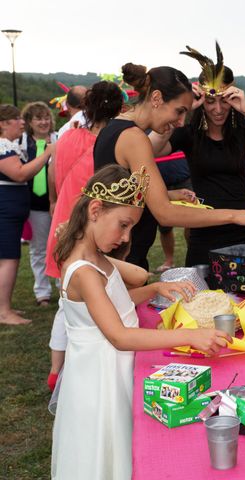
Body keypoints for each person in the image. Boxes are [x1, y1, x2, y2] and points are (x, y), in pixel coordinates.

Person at [50, 164, 230, 479]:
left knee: (119, 447)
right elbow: (119, 334)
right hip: (100, 377)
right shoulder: (83, 270)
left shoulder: (95, 256)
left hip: (112, 367)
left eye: (131, 228)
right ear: (95, 209)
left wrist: (154, 288)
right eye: (123, 225)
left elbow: (115, 302)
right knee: (103, 450)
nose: (125, 237)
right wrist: (191, 336)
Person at [94, 61, 245, 271]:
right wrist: (236, 215)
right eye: (179, 111)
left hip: (114, 254)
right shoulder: (134, 138)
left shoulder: (112, 129)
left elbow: (119, 190)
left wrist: (168, 194)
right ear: (157, 98)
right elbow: (165, 214)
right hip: (123, 256)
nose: (180, 122)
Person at [150, 45, 245, 266]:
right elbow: (148, 149)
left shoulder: (242, 130)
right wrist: (185, 112)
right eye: (210, 101)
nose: (217, 109)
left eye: (223, 100)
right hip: (204, 229)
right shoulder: (188, 134)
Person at [44, 80, 125, 391]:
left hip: (65, 215)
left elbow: (54, 170)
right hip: (87, 227)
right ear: (120, 109)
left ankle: (57, 369)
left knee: (66, 302)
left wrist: (54, 200)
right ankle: (72, 368)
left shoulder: (66, 138)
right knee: (80, 304)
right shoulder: (109, 144)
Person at [0, 105, 54, 324]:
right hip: (6, 211)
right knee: (8, 260)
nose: (21, 122)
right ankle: (4, 311)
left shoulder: (10, 145)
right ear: (3, 124)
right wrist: (48, 152)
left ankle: (5, 306)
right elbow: (20, 174)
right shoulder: (3, 145)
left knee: (10, 259)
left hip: (13, 211)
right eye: (15, 119)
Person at [19, 102, 57, 306]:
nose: (44, 122)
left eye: (46, 117)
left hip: (58, 202)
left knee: (61, 246)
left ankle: (64, 286)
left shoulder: (59, 138)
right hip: (34, 204)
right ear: (29, 122)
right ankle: (42, 292)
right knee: (39, 249)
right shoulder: (22, 142)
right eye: (38, 118)